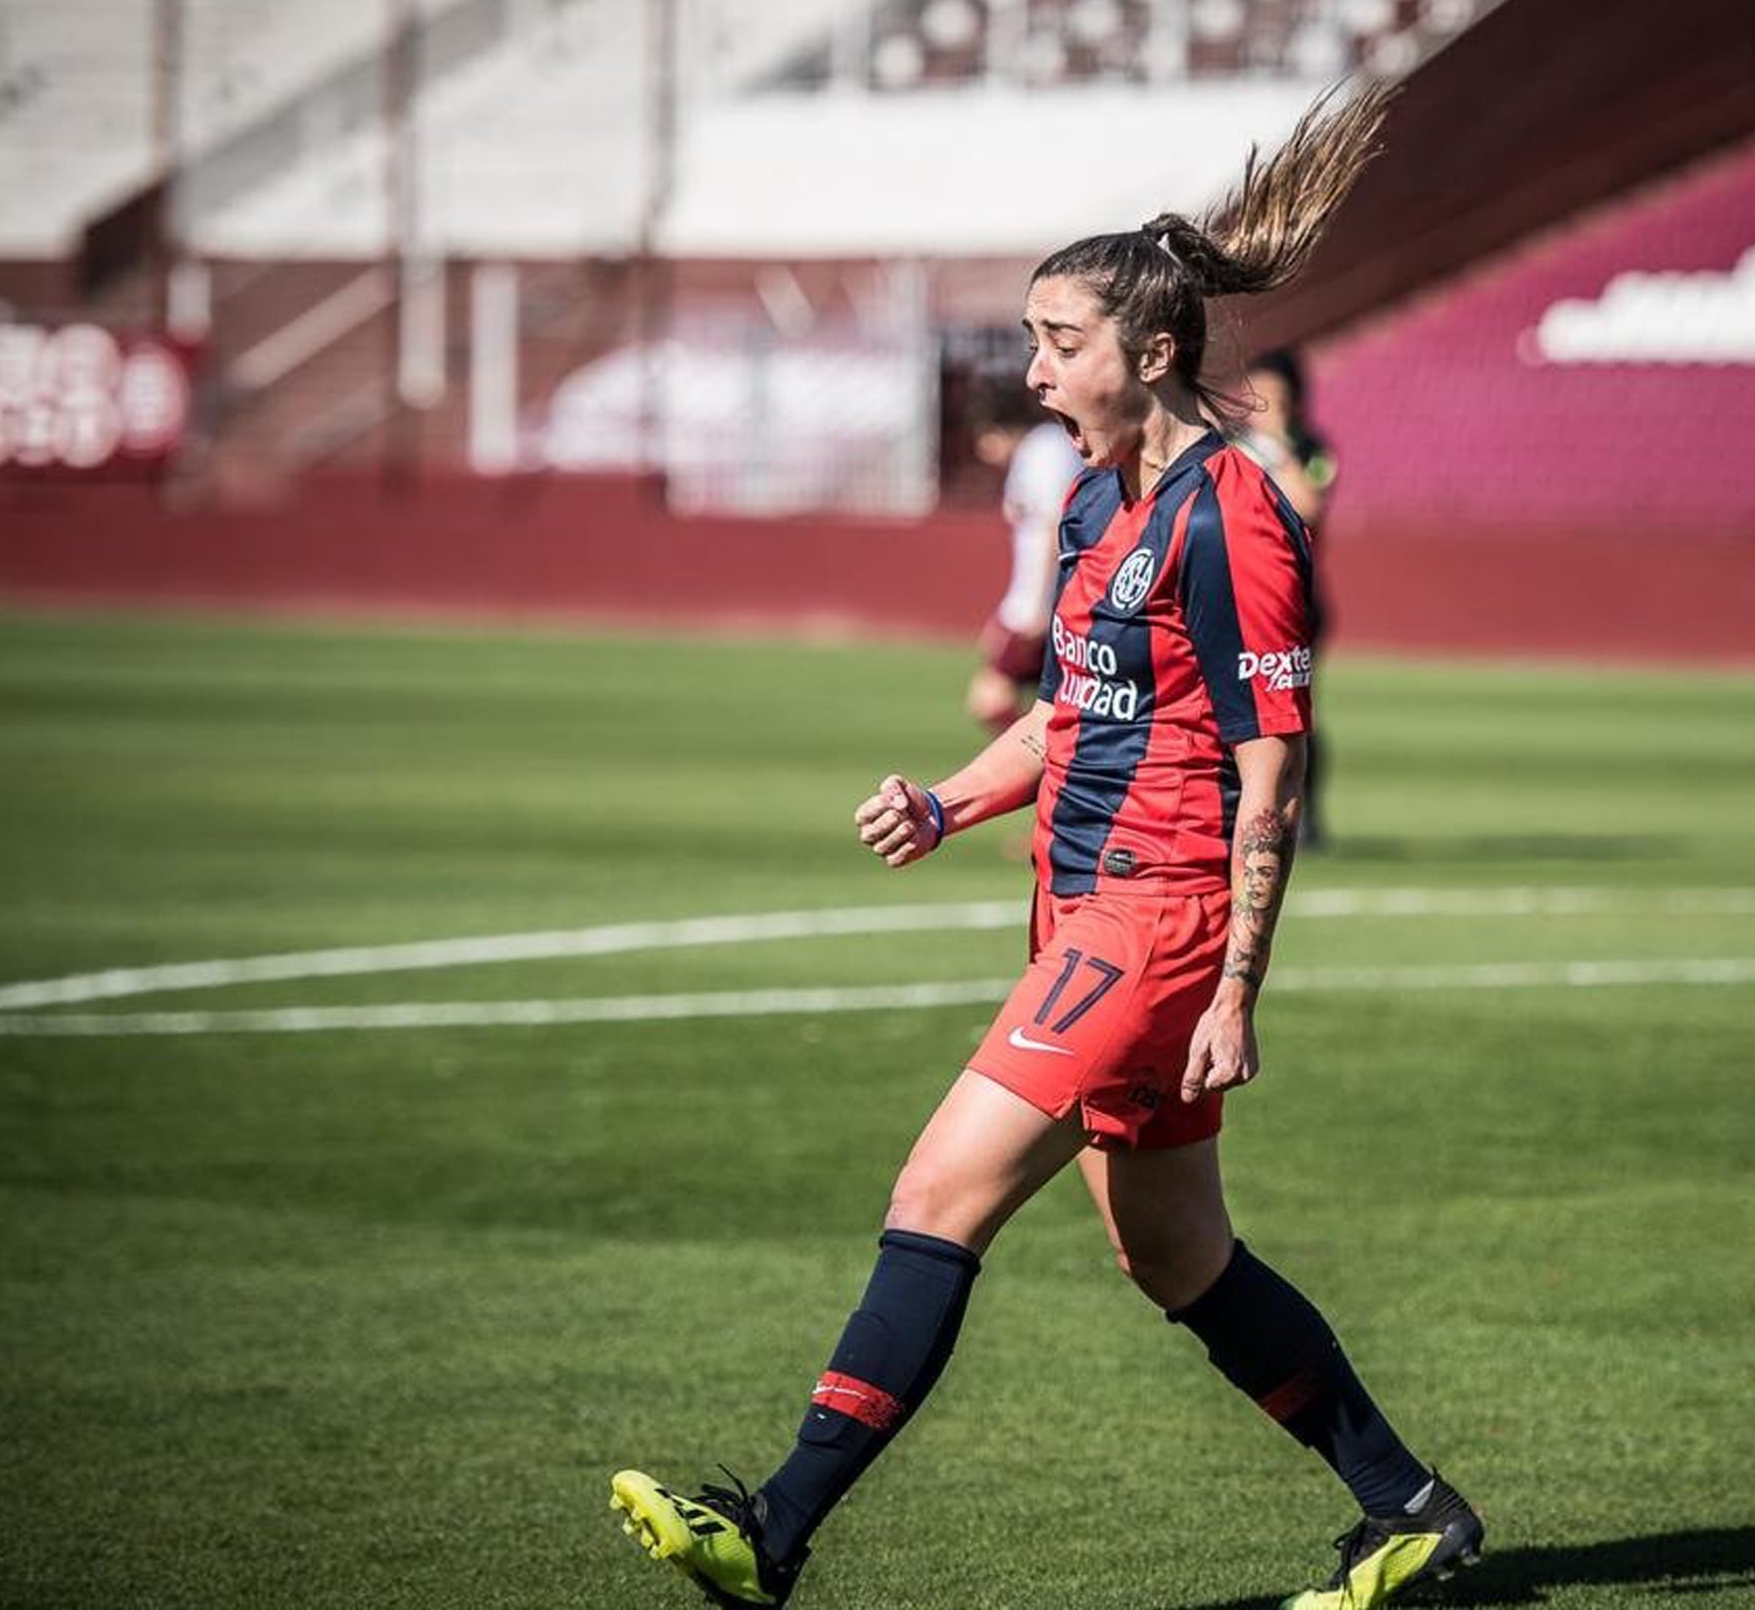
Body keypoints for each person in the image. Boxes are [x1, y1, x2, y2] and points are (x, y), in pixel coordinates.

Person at [609, 82, 1484, 1610]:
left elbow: (1269, 767)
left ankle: (774, 1527)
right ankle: (1407, 1506)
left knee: (936, 1193)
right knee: (1173, 1254)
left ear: (1149, 351)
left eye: (1056, 340)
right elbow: (1072, 717)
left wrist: (1234, 991)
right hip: (1078, 908)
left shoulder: (1231, 515)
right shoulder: (1093, 503)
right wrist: (948, 799)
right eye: (1028, 336)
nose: (1030, 368)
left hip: (1151, 927)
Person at [1233, 346, 1338, 847]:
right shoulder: (1225, 446)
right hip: (1233, 601)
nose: (1262, 406)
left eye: (1274, 397)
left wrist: (1274, 446)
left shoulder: (1313, 449)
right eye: (1256, 395)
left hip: (1293, 604)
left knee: (1290, 714)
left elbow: (1310, 505)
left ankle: (1305, 811)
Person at [967, 394, 1083, 732]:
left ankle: (1054, 770)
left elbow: (1052, 527)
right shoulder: (1036, 454)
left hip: (1044, 607)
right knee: (1050, 705)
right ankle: (1055, 770)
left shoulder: (1044, 451)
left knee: (991, 700)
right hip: (1032, 605)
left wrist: (1036, 607)